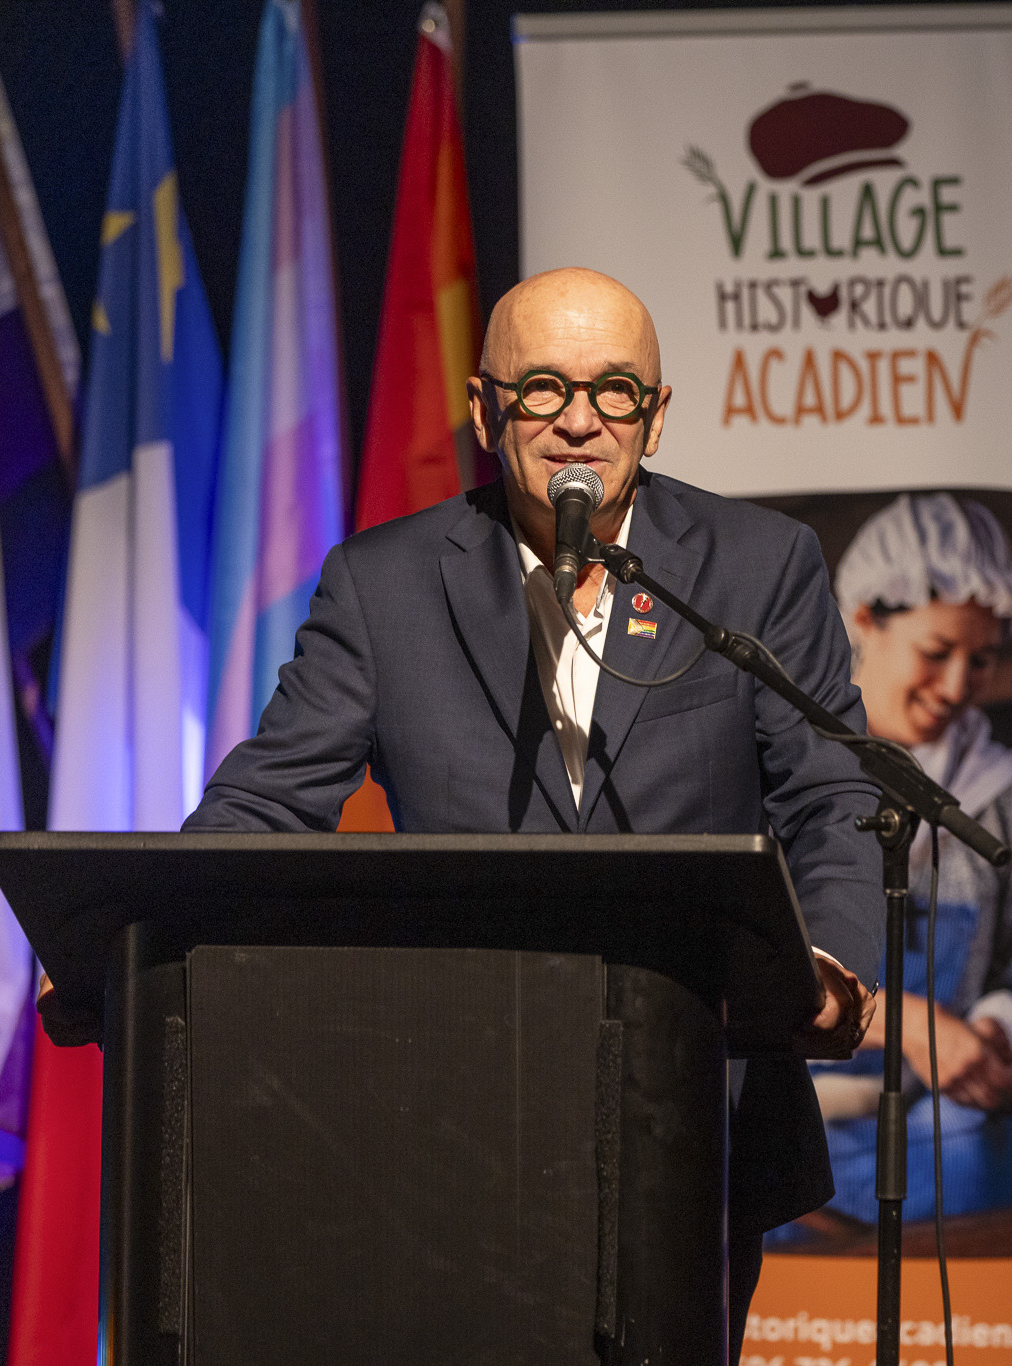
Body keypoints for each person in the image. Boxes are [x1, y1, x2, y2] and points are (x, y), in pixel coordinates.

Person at [176, 268, 880, 1357]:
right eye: (542, 387)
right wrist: (133, 927)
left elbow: (832, 790)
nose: (579, 421)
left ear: (656, 414)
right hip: (453, 1105)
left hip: (700, 1103)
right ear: (483, 407)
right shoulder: (384, 582)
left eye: (614, 392)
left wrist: (827, 958)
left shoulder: (755, 567)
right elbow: (269, 795)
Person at [798, 493, 1012, 1226]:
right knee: (731, 1136)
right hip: (792, 1103)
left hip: (931, 1122)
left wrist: (997, 1035)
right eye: (937, 654)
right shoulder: (789, 765)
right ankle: (806, 1194)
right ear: (863, 618)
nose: (959, 686)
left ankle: (800, 1210)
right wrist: (913, 1027)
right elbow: (741, 963)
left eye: (982, 660)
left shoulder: (1005, 799)